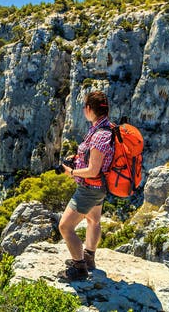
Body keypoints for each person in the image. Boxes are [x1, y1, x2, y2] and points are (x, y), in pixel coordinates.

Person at [58, 91, 114, 281]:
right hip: (98, 188)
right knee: (93, 220)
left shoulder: (100, 135)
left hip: (89, 189)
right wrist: (77, 159)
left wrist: (71, 172)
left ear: (89, 109)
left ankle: (79, 267)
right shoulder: (103, 128)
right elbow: (93, 158)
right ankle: (88, 257)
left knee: (65, 227)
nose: (83, 110)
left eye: (84, 107)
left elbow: (93, 170)